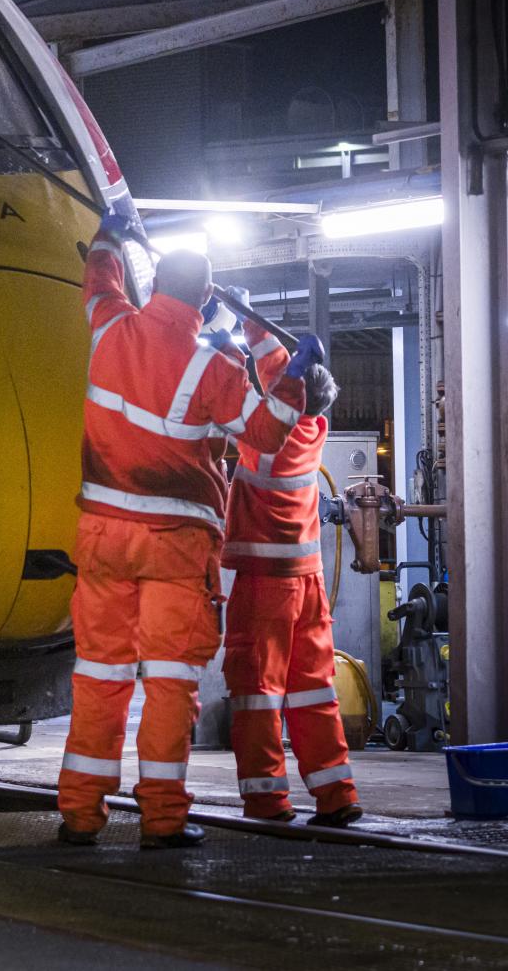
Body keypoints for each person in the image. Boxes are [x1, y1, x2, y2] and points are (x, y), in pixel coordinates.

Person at [59, 203, 323, 849]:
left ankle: (80, 814)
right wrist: (295, 381)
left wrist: (109, 234)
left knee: (100, 675)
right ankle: (163, 820)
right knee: (170, 683)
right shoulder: (214, 369)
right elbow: (261, 436)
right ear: (206, 298)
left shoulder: (109, 327)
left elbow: (100, 279)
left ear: (152, 286)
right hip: (175, 548)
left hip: (102, 536)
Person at [222, 313, 361, 827]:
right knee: (313, 692)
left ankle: (267, 801)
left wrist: (234, 345)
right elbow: (283, 381)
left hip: (265, 591)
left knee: (257, 694)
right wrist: (252, 326)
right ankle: (337, 796)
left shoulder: (266, 443)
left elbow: (273, 396)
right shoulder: (315, 428)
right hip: (309, 589)